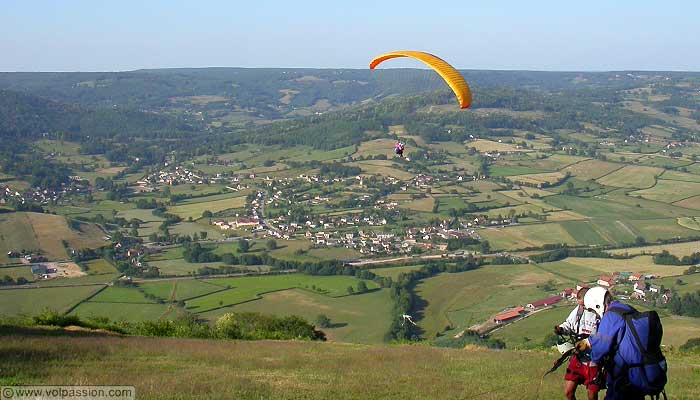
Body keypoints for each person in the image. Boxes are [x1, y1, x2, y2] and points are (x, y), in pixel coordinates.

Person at [577, 287, 665, 400]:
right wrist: (590, 341)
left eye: (593, 310)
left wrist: (591, 354)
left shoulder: (610, 316)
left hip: (625, 377)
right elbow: (616, 336)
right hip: (638, 374)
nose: (596, 315)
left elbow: (601, 348)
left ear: (597, 305)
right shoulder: (625, 309)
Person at [554, 287, 601, 400]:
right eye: (580, 305)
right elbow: (569, 324)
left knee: (592, 396)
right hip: (578, 356)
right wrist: (561, 329)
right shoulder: (578, 311)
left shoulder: (601, 314)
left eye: (584, 305)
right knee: (568, 393)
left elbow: (605, 336)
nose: (582, 307)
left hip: (594, 359)